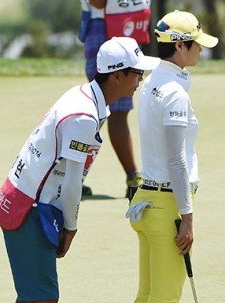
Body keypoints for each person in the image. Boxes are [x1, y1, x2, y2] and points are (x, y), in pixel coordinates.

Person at [0, 37, 159, 303]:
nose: (140, 80)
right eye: (137, 74)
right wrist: (71, 225)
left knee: (30, 296)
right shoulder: (83, 116)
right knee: (43, 298)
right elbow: (71, 182)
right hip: (32, 207)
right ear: (118, 76)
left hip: (21, 197)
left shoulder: (84, 96)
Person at [122, 10, 218, 303]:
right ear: (179, 46)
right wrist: (188, 214)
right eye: (195, 43)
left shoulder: (152, 84)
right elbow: (178, 162)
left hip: (147, 198)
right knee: (164, 299)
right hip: (165, 206)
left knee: (148, 296)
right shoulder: (175, 92)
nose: (199, 50)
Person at [79, 0, 152, 199]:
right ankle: (67, 176)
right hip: (104, 27)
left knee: (118, 109)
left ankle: (131, 177)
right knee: (102, 106)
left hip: (132, 25)